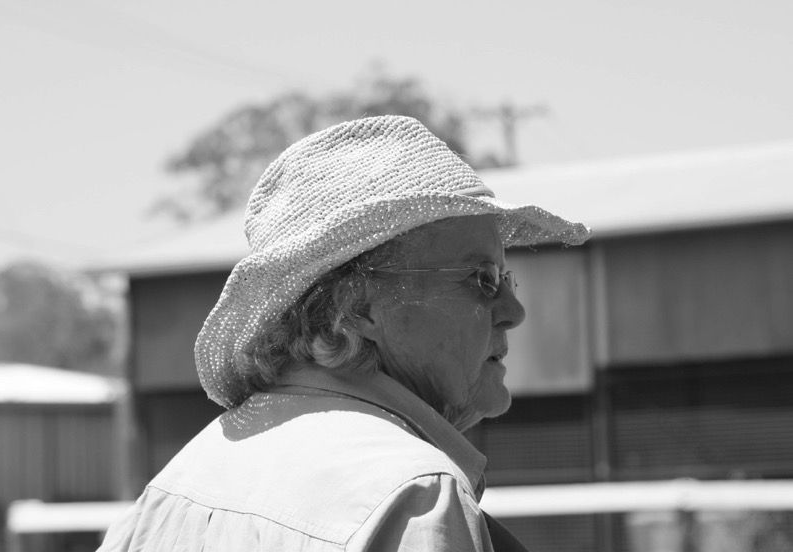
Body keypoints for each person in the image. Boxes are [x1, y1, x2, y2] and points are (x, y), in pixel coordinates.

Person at [97, 115, 589, 551]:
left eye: (505, 277)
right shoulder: (413, 495)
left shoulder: (170, 491)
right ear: (358, 308)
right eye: (481, 279)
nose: (513, 309)